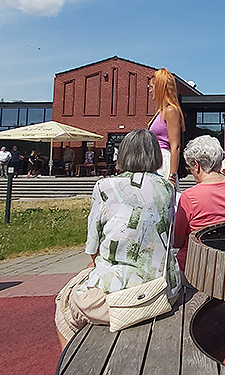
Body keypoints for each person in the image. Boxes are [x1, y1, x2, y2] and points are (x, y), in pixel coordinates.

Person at [54, 129, 179, 347]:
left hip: (122, 297)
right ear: (156, 155)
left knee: (64, 306)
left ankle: (73, 361)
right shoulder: (167, 188)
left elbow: (92, 246)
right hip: (164, 291)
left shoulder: (105, 186)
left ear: (123, 154)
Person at [173, 136, 225, 271]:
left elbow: (177, 241)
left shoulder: (190, 197)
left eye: (190, 168)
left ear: (196, 165)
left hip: (196, 267)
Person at [148, 68, 184, 184]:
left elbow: (175, 145)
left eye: (152, 87)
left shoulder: (170, 110)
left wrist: (172, 175)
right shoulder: (161, 111)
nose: (150, 91)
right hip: (156, 160)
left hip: (164, 162)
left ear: (160, 87)